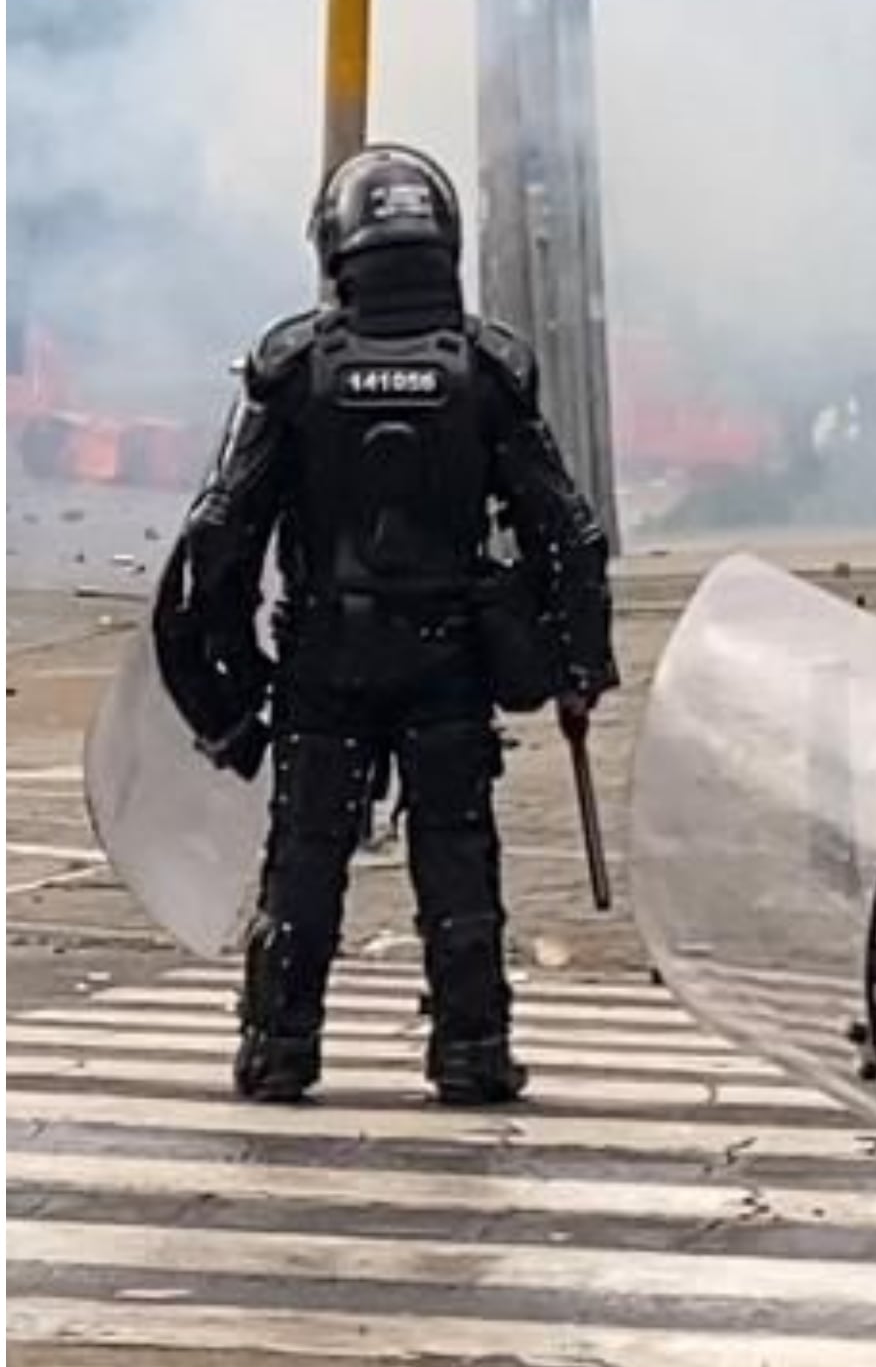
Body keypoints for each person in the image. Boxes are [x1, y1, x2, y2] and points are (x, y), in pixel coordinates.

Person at [153, 143, 617, 1106]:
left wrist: (234, 678)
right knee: (457, 858)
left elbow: (222, 538)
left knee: (307, 857)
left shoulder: (294, 372)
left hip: (325, 657)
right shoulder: (486, 370)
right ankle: (472, 1052)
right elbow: (565, 533)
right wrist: (575, 665)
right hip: (449, 659)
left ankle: (280, 1047)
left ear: (337, 246)